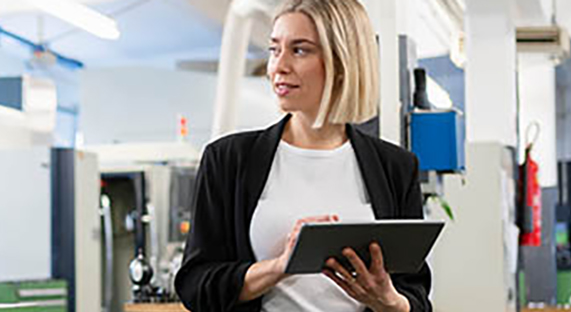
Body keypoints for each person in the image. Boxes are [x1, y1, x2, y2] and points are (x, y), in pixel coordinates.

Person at [173, 0, 432, 311]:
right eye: (274, 49)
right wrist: (280, 265)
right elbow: (195, 285)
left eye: (299, 50)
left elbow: (416, 296)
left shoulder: (395, 168)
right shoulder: (228, 160)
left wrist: (389, 301)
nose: (278, 66)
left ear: (342, 62)